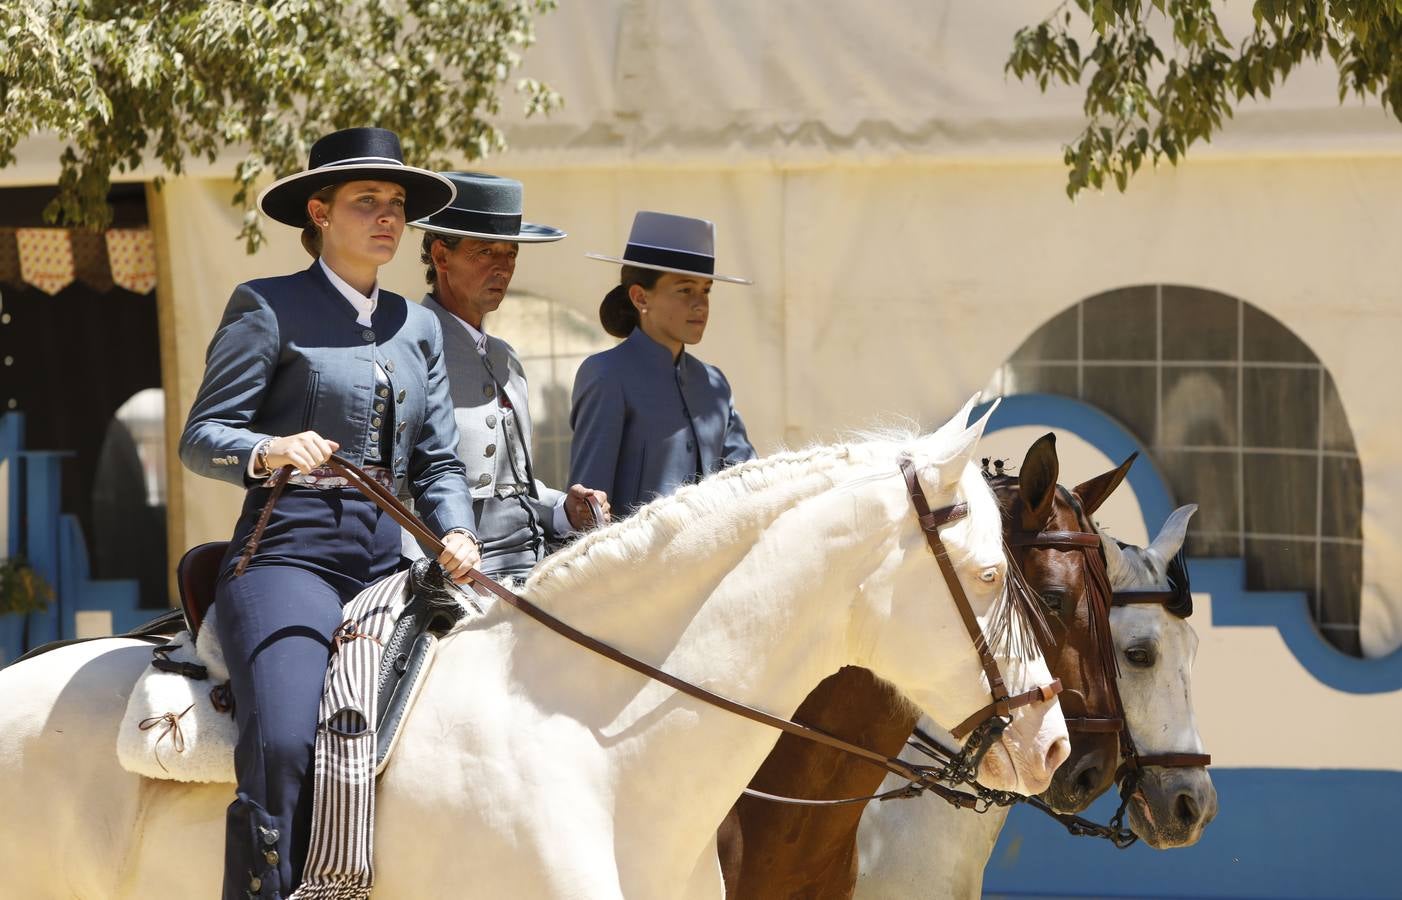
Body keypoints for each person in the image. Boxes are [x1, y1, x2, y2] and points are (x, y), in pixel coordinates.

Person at [179, 127, 480, 900]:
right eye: (367, 201)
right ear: (319, 210)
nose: (388, 217)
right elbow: (201, 437)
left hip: (394, 563)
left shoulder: (420, 327)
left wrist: (456, 529)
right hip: (286, 556)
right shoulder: (266, 305)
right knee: (282, 739)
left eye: (398, 206)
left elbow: (439, 460)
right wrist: (271, 447)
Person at [411, 171, 609, 580]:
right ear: (441, 257)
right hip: (454, 569)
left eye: (511, 253)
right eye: (486, 252)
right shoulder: (408, 347)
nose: (503, 267)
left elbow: (515, 487)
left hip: (532, 562)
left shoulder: (506, 357)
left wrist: (563, 510)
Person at [569, 211, 756, 516]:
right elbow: (588, 507)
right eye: (685, 290)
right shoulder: (607, 375)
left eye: (706, 290)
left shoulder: (714, 384)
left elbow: (748, 481)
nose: (701, 304)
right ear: (641, 298)